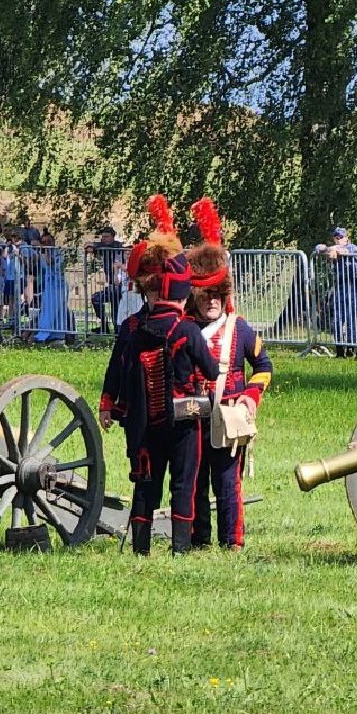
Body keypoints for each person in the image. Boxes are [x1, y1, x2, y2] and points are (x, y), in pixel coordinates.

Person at [99, 195, 220, 555]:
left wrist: (108, 405)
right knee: (183, 484)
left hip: (141, 421)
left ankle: (140, 548)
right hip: (184, 421)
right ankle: (180, 549)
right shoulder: (188, 330)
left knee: (145, 485)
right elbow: (212, 370)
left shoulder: (130, 327)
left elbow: (115, 373)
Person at [186, 197, 272, 548]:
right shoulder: (186, 328)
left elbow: (264, 366)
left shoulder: (240, 328)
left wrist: (251, 397)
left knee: (227, 483)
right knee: (194, 482)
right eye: (206, 296)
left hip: (228, 412)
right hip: (193, 416)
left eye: (216, 296)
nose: (212, 302)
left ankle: (231, 541)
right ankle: (199, 539)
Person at [321, 226, 357, 357]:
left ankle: (351, 348)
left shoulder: (352, 247)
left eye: (341, 237)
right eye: (337, 238)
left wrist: (333, 250)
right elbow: (318, 249)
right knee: (338, 320)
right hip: (340, 287)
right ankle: (339, 350)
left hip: (354, 287)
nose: (339, 240)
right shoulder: (333, 249)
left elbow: (345, 251)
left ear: (346, 238)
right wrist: (328, 249)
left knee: (351, 319)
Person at [86, 225, 129, 333]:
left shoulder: (117, 246)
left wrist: (96, 246)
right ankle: (104, 326)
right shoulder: (102, 247)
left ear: (113, 237)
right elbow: (87, 246)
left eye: (106, 237)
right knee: (96, 298)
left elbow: (94, 246)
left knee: (116, 313)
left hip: (120, 286)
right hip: (111, 285)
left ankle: (117, 333)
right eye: (103, 237)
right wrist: (94, 247)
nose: (104, 239)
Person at [31, 235, 71, 343]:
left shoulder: (59, 253)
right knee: (47, 310)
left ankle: (55, 335)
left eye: (47, 242)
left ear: (53, 242)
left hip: (59, 286)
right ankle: (47, 334)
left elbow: (51, 262)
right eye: (43, 242)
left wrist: (46, 250)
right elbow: (35, 261)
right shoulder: (42, 254)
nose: (45, 244)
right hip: (48, 286)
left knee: (57, 311)